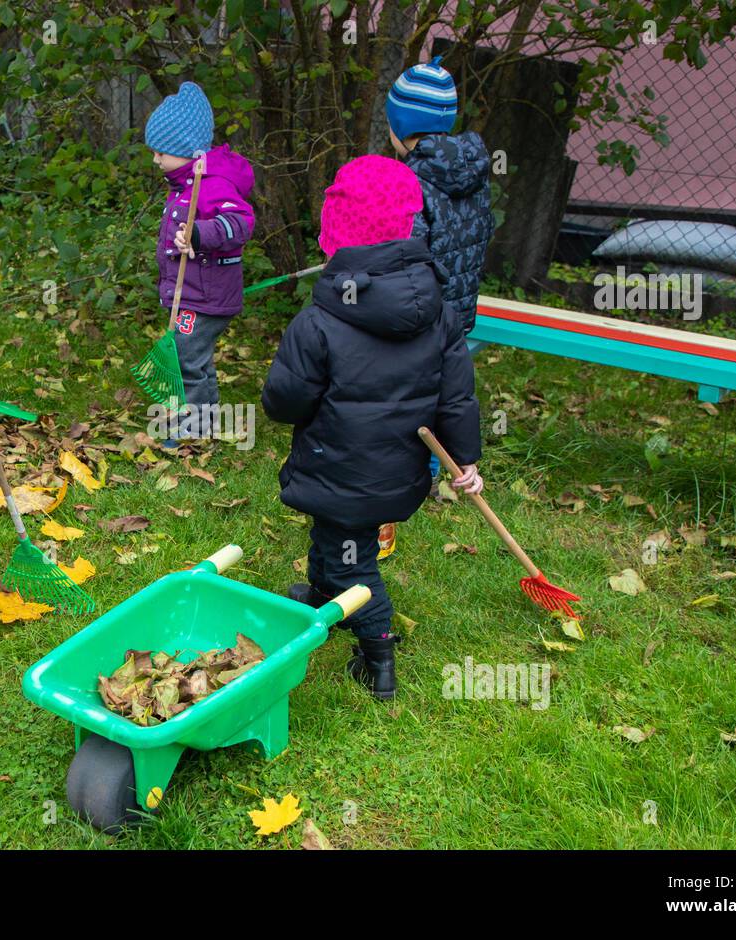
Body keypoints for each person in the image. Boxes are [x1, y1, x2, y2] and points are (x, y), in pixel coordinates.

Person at [262, 155, 484, 699]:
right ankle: (322, 598)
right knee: (336, 538)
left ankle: (377, 651)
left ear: (335, 234)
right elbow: (455, 396)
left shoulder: (319, 320)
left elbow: (283, 401)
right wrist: (466, 456)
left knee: (352, 561)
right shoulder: (439, 311)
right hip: (397, 470)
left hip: (340, 471)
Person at [379, 55, 495, 557]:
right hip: (457, 314)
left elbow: (407, 255)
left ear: (400, 127)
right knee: (439, 393)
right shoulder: (471, 172)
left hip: (417, 317)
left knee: (399, 399)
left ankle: (397, 488)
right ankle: (429, 474)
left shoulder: (410, 182)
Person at [145, 81, 254, 444]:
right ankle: (205, 419)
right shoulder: (185, 184)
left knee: (184, 356)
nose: (155, 159)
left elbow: (241, 223)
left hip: (206, 296)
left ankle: (190, 428)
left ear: (187, 151)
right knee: (195, 358)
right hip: (191, 293)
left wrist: (200, 234)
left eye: (162, 152)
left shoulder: (213, 185)